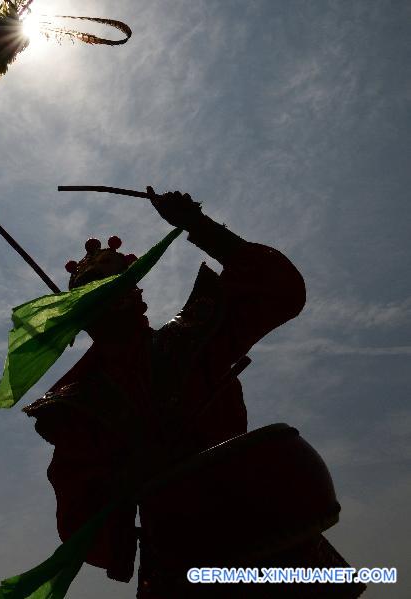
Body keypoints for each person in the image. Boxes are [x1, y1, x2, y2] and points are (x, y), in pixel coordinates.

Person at [23, 190, 363, 597]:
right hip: (178, 553)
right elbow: (78, 504)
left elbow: (278, 289)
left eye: (114, 284)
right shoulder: (78, 402)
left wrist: (199, 227)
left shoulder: (190, 336)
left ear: (134, 290)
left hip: (261, 524)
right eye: (92, 289)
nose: (107, 295)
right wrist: (122, 481)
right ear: (76, 310)